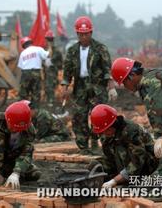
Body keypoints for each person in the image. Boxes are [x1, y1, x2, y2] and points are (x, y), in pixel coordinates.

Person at [61, 16, 118, 154]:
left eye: (86, 33)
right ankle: (83, 146)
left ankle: (95, 140)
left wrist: (111, 87)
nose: (84, 36)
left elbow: (107, 69)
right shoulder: (72, 50)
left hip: (97, 87)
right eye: (81, 34)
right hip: (80, 87)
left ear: (91, 33)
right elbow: (67, 70)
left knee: (98, 116)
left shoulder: (100, 48)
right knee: (79, 116)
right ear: (77, 34)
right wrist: (65, 86)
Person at [88, 104, 158, 188]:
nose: (103, 134)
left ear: (111, 126)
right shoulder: (108, 135)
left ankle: (132, 180)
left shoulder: (131, 131)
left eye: (105, 131)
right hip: (123, 165)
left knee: (121, 150)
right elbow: (110, 158)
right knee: (95, 165)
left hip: (144, 167)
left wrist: (114, 181)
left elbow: (138, 161)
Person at [17, 37, 51, 108]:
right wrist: (50, 45)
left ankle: (23, 109)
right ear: (31, 43)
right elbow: (48, 55)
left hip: (25, 74)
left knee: (23, 94)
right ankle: (34, 111)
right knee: (35, 93)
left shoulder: (23, 53)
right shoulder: (38, 49)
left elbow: (21, 67)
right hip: (36, 73)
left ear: (23, 45)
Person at [44, 30, 63, 106]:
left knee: (50, 86)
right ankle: (49, 99)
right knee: (46, 86)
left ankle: (51, 101)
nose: (49, 41)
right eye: (48, 39)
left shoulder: (57, 51)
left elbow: (61, 62)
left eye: (50, 39)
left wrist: (53, 63)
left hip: (52, 71)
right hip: (45, 71)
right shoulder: (44, 50)